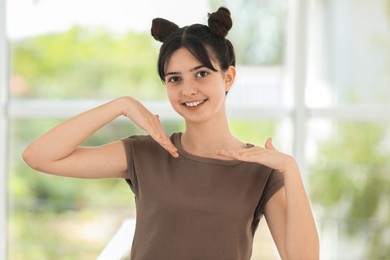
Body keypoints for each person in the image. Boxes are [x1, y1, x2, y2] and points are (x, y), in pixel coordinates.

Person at [23, 6, 319, 260]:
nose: (188, 89)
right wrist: (122, 105)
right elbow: (38, 156)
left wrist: (289, 167)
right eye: (174, 79)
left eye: (201, 73)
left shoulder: (261, 170)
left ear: (228, 77)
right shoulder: (145, 153)